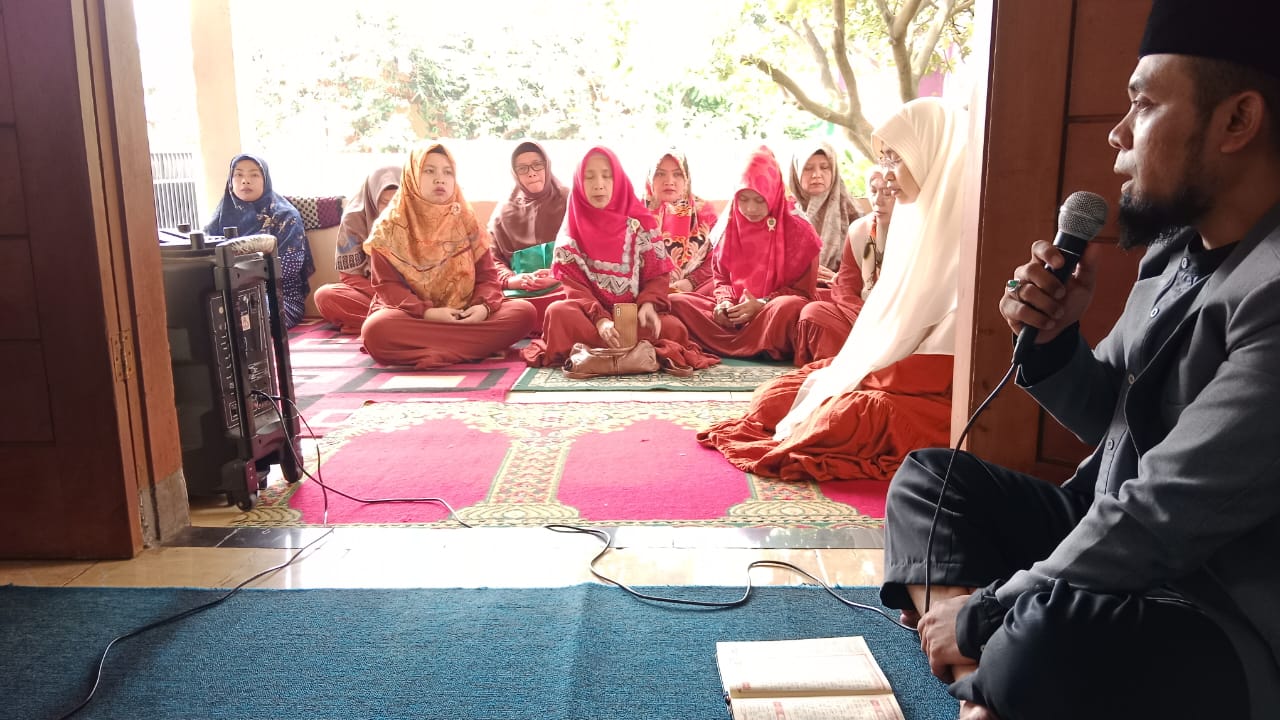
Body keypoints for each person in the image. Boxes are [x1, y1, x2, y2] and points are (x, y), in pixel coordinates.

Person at [880, 3, 1280, 719]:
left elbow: (1164, 517)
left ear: (1237, 122)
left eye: (1145, 104)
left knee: (1048, 634)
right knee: (929, 481)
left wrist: (986, 612)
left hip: (1213, 604)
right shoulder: (1174, 254)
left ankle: (975, 656)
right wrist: (1059, 340)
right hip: (1108, 529)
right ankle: (978, 671)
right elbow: (1108, 414)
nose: (1118, 136)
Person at [697, 97, 967, 483]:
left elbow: (942, 366)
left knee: (844, 418)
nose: (887, 176)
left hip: (927, 391)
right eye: (884, 159)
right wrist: (853, 367)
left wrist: (863, 373)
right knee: (773, 399)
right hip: (888, 362)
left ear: (932, 154)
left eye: (896, 159)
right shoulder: (912, 221)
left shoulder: (968, 237)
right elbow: (856, 297)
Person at [520, 146, 718, 372]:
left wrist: (648, 305)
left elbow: (657, 275)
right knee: (558, 313)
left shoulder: (641, 223)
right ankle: (634, 353)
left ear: (619, 180)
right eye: (589, 176)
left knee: (672, 327)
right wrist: (601, 320)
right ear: (578, 181)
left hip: (634, 317)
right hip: (590, 318)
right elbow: (575, 289)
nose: (599, 184)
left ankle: (598, 355)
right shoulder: (571, 233)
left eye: (607, 176)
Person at [359, 142, 537, 368]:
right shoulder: (387, 229)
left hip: (467, 314)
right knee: (376, 330)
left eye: (447, 172)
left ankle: (438, 351)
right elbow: (388, 287)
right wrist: (428, 313)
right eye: (429, 171)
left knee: (524, 312)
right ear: (412, 176)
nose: (440, 179)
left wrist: (483, 308)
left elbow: (488, 277)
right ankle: (469, 349)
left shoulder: (466, 221)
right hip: (416, 318)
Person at [667, 146, 819, 364]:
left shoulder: (801, 232)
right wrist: (725, 303)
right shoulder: (730, 225)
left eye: (759, 200)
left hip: (770, 314)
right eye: (743, 199)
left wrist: (762, 303)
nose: (750, 208)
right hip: (734, 318)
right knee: (675, 302)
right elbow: (721, 279)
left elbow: (804, 292)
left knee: (789, 308)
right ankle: (753, 345)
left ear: (774, 194)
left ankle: (742, 343)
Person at [794, 166, 898, 363]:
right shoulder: (860, 230)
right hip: (862, 313)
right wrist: (864, 316)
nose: (877, 200)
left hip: (899, 318)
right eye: (873, 191)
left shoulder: (918, 233)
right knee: (812, 313)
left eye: (887, 193)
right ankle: (846, 361)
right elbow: (845, 285)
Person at [203, 154, 314, 328]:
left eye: (254, 175)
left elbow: (290, 265)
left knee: (252, 318)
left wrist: (241, 278)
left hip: (278, 296)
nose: (245, 181)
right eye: (238, 174)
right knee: (203, 315)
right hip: (227, 295)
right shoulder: (220, 216)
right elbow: (206, 259)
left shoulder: (284, 216)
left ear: (265, 179)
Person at [487, 140, 569, 332]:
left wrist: (558, 274)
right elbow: (490, 260)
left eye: (537, 165)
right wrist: (511, 280)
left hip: (562, 286)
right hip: (518, 293)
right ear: (514, 174)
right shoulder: (503, 211)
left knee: (578, 300)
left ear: (547, 166)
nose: (532, 172)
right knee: (493, 305)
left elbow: (587, 251)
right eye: (522, 168)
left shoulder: (570, 201)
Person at [312, 165, 401, 333]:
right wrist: (388, 298)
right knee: (325, 296)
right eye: (384, 202)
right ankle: (394, 321)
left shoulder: (415, 215)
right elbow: (350, 276)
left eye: (397, 201)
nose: (391, 209)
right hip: (375, 293)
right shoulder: (354, 218)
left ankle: (381, 323)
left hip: (410, 295)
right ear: (373, 199)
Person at [643, 148, 719, 295]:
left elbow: (717, 260)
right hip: (645, 293)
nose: (669, 181)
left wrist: (691, 282)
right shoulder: (634, 212)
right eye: (660, 174)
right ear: (650, 178)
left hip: (693, 292)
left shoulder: (704, 212)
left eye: (677, 174)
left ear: (686, 178)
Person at [788, 140, 861, 288]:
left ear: (833, 171)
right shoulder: (785, 213)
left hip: (838, 291)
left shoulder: (853, 215)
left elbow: (866, 270)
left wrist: (838, 278)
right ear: (797, 172)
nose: (816, 175)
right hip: (792, 290)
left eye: (825, 167)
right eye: (808, 168)